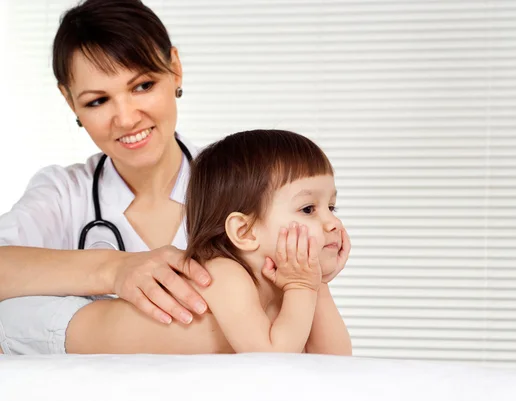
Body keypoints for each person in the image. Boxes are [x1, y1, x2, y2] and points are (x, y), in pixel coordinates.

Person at [0, 0, 347, 355]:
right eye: (97, 101)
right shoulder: (63, 193)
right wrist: (114, 269)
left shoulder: (244, 183)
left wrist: (312, 279)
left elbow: (310, 355)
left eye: (142, 86)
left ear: (175, 69)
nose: (126, 118)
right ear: (69, 100)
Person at [66, 129, 352, 354]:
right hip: (59, 329)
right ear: (245, 232)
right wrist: (303, 286)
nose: (332, 223)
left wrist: (318, 283)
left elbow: (333, 361)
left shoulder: (290, 282)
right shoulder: (225, 274)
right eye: (308, 209)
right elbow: (271, 358)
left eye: (332, 207)